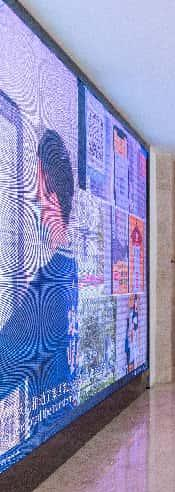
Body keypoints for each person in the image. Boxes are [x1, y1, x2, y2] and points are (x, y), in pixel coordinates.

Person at [0, 130, 79, 443]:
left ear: (51, 198)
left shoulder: (49, 287)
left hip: (48, 433)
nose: (32, 198)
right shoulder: (68, 267)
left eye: (37, 188)